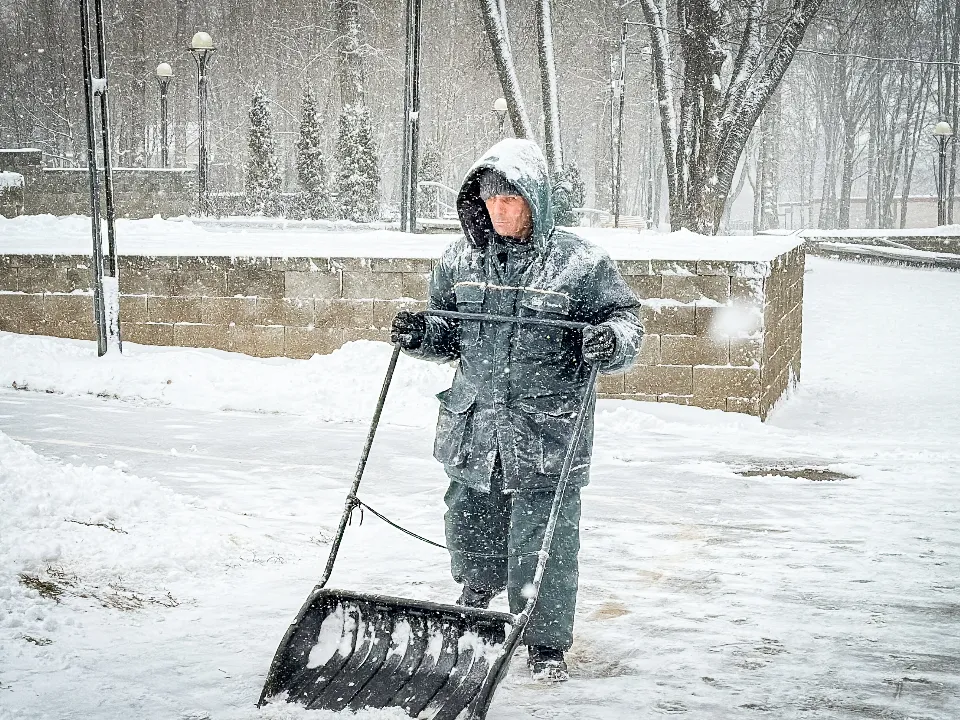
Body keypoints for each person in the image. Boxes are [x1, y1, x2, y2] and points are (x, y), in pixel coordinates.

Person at [391, 139, 643, 682]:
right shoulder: (459, 260)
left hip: (545, 428)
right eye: (489, 197)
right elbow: (448, 331)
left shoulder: (580, 263)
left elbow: (626, 320)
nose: (499, 208)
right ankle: (476, 596)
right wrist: (421, 334)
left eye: (511, 197)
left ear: (535, 198)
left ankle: (545, 643)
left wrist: (610, 342)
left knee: (543, 539)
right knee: (469, 519)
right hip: (476, 423)